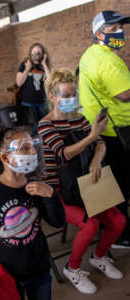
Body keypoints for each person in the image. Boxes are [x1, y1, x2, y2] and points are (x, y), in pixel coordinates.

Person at [38, 69, 126, 294]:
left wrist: (95, 161)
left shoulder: (79, 119)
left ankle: (99, 257)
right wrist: (92, 135)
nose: (71, 99)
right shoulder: (45, 125)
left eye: (73, 94)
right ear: (53, 97)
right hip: (58, 191)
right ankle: (72, 268)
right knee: (91, 224)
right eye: (65, 95)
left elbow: (100, 144)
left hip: (85, 183)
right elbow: (63, 154)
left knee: (118, 220)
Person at [0, 126, 65, 300]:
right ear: (5, 156)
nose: (31, 152)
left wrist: (50, 195)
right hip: (6, 273)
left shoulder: (36, 185)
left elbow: (58, 222)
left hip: (39, 268)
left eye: (32, 146)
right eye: (24, 147)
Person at [78, 10, 130, 248]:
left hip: (102, 128)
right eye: (113, 28)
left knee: (117, 183)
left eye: (121, 26)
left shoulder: (91, 54)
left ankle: (117, 231)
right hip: (118, 128)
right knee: (123, 183)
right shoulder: (107, 58)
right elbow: (125, 93)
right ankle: (121, 234)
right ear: (99, 33)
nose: (120, 31)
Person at [16, 43, 51, 123]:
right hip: (28, 102)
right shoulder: (24, 64)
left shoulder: (44, 66)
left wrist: (44, 64)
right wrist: (27, 69)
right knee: (34, 128)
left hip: (42, 102)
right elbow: (19, 83)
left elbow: (50, 81)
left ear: (42, 54)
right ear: (30, 53)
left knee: (45, 124)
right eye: (34, 51)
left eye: (39, 51)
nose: (36, 54)